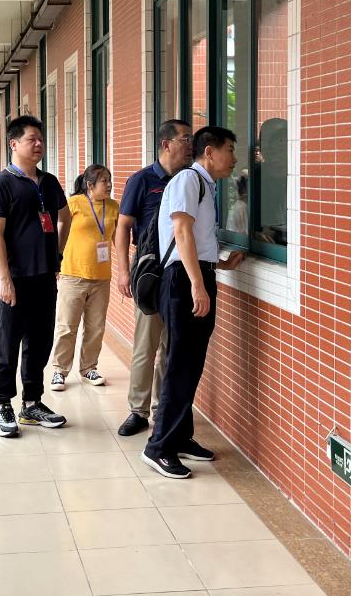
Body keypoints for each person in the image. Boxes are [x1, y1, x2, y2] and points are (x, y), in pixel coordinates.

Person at [141, 126, 245, 480]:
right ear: (209, 152)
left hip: (195, 276)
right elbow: (181, 232)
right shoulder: (189, 180)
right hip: (183, 281)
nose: (234, 158)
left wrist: (219, 265)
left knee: (190, 363)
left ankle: (180, 437)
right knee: (181, 365)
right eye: (229, 149)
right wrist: (198, 286)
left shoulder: (204, 184)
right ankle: (158, 447)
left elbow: (196, 240)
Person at [0, 115, 71, 437]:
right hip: (15, 279)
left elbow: (65, 217)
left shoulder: (49, 182)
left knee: (40, 341)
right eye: (31, 139)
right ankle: (2, 404)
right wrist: (4, 279)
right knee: (8, 342)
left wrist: (56, 254)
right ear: (13, 144)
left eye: (41, 139)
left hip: (45, 277)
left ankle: (32, 402)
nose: (38, 144)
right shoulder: (1, 185)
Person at [115, 119, 193, 437]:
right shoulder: (142, 180)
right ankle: (138, 410)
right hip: (149, 271)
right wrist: (122, 271)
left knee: (171, 344)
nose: (190, 145)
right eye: (185, 139)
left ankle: (163, 410)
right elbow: (122, 227)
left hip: (179, 272)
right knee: (146, 344)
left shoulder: (189, 180)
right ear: (166, 144)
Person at [50, 164, 119, 390]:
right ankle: (59, 370)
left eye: (109, 180)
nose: (109, 185)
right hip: (73, 274)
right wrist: (55, 261)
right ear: (90, 185)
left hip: (101, 277)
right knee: (67, 326)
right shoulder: (73, 203)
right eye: (104, 181)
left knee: (95, 327)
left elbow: (118, 239)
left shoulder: (113, 207)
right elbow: (58, 230)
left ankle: (89, 368)